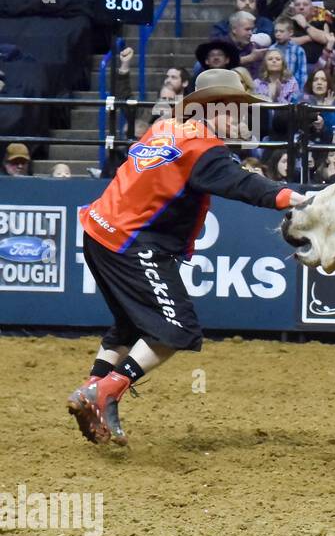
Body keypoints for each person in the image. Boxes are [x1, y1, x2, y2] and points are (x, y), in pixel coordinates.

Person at [67, 70, 305, 446]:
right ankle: (107, 391)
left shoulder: (165, 128)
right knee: (176, 328)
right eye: (236, 110)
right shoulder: (204, 148)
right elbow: (242, 184)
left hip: (100, 229)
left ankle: (92, 390)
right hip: (133, 241)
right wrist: (293, 198)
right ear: (211, 108)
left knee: (130, 326)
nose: (241, 119)